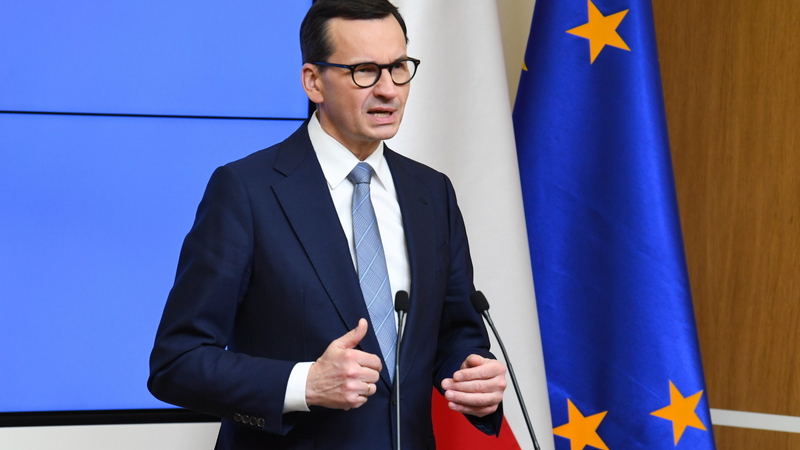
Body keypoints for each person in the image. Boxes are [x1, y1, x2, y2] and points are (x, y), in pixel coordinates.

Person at [148, 1, 507, 448]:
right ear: (313, 82)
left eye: (398, 67)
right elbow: (176, 362)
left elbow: (456, 335)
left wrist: (472, 376)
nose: (389, 90)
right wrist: (305, 384)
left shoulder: (431, 192)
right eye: (364, 71)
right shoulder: (246, 191)